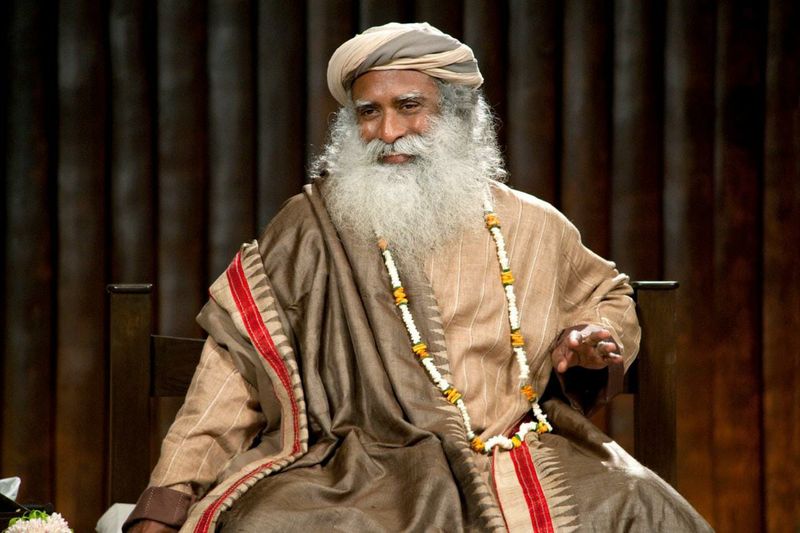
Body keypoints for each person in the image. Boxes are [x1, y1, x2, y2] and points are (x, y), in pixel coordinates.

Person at [125, 22, 711, 533]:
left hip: (513, 447)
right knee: (271, 522)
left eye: (409, 106)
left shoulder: (532, 226)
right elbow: (233, 368)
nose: (387, 131)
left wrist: (591, 335)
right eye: (368, 112)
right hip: (350, 464)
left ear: (457, 117)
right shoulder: (309, 226)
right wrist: (168, 497)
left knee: (639, 504)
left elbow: (606, 295)